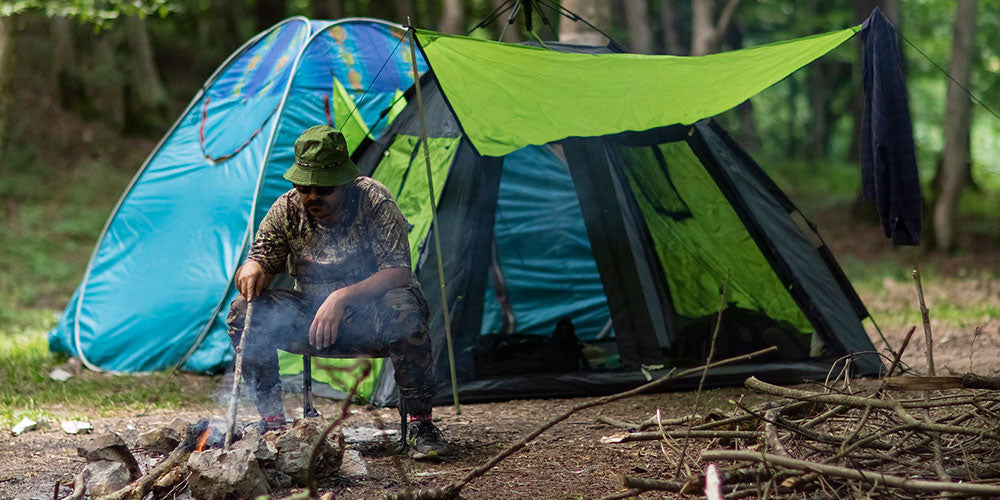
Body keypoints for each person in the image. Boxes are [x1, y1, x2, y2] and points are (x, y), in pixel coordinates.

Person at [226, 125, 448, 459]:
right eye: (304, 186)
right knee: (244, 310)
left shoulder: (374, 200)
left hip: (372, 315)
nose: (313, 196)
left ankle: (421, 424)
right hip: (309, 317)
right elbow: (261, 260)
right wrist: (252, 268)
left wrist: (341, 297)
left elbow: (399, 272)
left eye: (324, 188)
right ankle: (272, 422)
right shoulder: (287, 208)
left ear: (343, 182)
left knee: (405, 310)